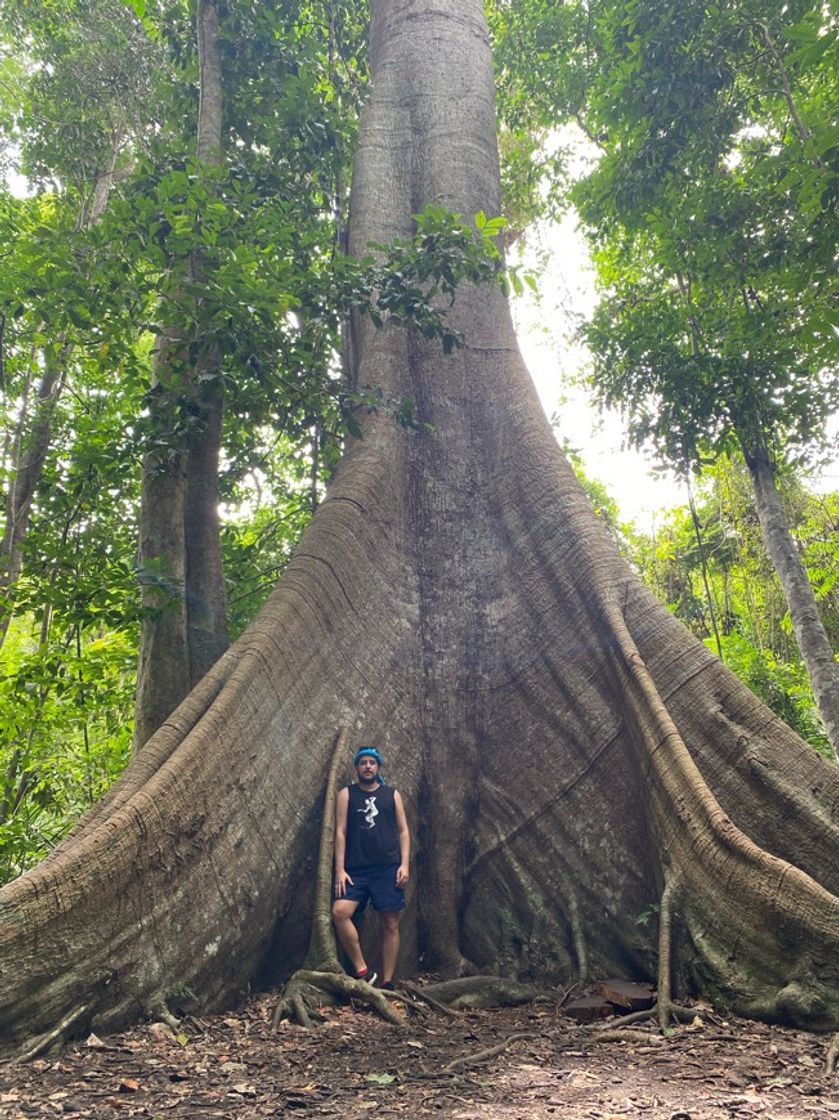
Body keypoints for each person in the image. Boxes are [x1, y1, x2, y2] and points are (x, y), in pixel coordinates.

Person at [332, 746, 410, 989]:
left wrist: (404, 865)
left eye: (372, 763)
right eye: (363, 762)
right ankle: (362, 970)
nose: (367, 766)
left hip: (387, 868)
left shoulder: (391, 794)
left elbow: (403, 831)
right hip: (356, 870)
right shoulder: (347, 794)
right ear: (357, 767)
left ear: (378, 767)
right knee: (339, 912)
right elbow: (340, 832)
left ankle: (387, 982)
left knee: (390, 924)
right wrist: (340, 870)